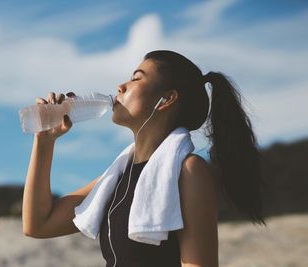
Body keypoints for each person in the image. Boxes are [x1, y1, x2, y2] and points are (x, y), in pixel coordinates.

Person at [22, 50, 267, 267]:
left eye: (136, 78)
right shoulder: (116, 176)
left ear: (167, 99)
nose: (121, 86)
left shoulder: (189, 172)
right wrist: (44, 142)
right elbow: (38, 225)